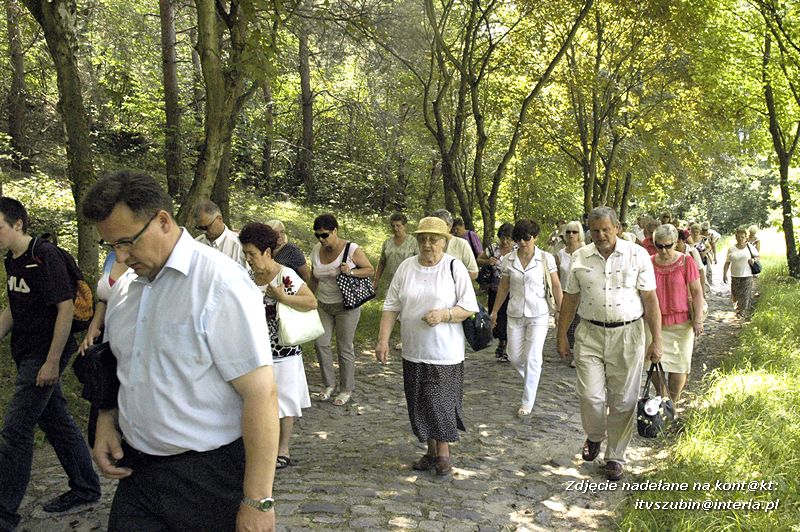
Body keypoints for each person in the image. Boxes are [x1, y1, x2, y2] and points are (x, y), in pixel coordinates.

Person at [82, 171, 279, 531]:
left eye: (127, 242)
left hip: (207, 478)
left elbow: (261, 394)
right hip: (138, 475)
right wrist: (106, 420)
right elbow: (121, 366)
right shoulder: (126, 287)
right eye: (111, 246)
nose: (121, 256)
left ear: (162, 221)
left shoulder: (221, 283)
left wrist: (258, 501)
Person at [0, 198, 101, 529]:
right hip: (25, 351)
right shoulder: (12, 259)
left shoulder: (45, 256)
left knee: (15, 431)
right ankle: (86, 487)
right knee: (56, 421)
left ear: (17, 224)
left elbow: (66, 308)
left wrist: (53, 361)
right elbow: (14, 307)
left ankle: (4, 513)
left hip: (44, 355)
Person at [556, 207, 663, 482]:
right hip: (589, 333)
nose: (601, 235)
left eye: (606, 229)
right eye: (595, 230)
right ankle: (594, 435)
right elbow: (570, 298)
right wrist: (561, 334)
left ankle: (615, 456)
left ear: (617, 227)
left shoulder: (637, 255)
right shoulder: (580, 257)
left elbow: (650, 299)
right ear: (589, 231)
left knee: (623, 400)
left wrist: (657, 340)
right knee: (590, 395)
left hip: (628, 334)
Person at [375, 217, 479, 476]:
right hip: (413, 350)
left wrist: (444, 314)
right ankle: (431, 451)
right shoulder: (406, 268)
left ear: (444, 242)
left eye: (434, 239)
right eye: (423, 239)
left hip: (444, 352)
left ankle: (443, 453)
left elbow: (469, 307)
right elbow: (391, 305)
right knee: (419, 402)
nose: (428, 244)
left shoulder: (454, 267)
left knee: (438, 401)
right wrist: (383, 340)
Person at [240, 223, 314, 470]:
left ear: (267, 252)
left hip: (283, 349)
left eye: (252, 253)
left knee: (285, 400)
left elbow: (311, 302)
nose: (248, 258)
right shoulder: (248, 277)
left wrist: (283, 297)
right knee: (258, 399)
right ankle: (260, 446)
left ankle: (283, 449)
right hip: (256, 348)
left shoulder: (285, 275)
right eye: (246, 253)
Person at [490, 219, 563, 418]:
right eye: (518, 238)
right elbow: (503, 287)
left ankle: (527, 400)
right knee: (514, 356)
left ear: (535, 237)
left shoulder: (546, 258)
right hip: (514, 312)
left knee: (532, 357)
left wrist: (560, 310)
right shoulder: (509, 259)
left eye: (526, 238)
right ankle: (533, 376)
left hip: (539, 313)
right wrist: (495, 311)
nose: (522, 242)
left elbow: (556, 285)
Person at [309, 213, 374, 406]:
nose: (321, 239)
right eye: (317, 235)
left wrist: (351, 271)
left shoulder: (351, 249)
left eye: (325, 235)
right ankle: (328, 384)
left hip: (346, 305)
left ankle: (346, 389)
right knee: (320, 343)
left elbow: (369, 269)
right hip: (323, 304)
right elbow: (314, 277)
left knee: (344, 346)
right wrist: (307, 298)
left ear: (335, 231)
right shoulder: (316, 250)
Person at [78, 251, 131, 447]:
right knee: (99, 420)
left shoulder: (144, 260)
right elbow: (104, 299)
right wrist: (93, 329)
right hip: (108, 346)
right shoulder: (111, 257)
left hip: (132, 349)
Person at [649, 224, 705, 403]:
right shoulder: (648, 262)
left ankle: (673, 401)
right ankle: (661, 396)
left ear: (676, 243)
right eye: (659, 246)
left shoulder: (686, 261)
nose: (664, 250)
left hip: (682, 323)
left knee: (679, 364)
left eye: (668, 246)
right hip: (654, 323)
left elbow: (696, 291)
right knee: (653, 361)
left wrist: (698, 319)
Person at [476, 223, 515, 360]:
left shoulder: (517, 249)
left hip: (511, 290)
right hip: (494, 288)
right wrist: (488, 261)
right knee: (496, 317)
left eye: (508, 238)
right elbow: (478, 260)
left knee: (508, 317)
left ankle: (507, 346)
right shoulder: (493, 248)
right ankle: (501, 341)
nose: (505, 241)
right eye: (502, 238)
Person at [554, 220, 585, 364]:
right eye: (568, 232)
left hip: (582, 294)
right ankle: (569, 350)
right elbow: (557, 277)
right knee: (566, 324)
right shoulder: (560, 254)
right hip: (565, 293)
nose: (571, 235)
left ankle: (578, 354)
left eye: (574, 232)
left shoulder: (585, 252)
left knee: (579, 325)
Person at [193, 199, 248, 268]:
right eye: (200, 228)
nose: (204, 231)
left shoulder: (238, 246)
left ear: (219, 219)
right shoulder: (196, 244)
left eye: (206, 227)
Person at [373, 212, 418, 290]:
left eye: (398, 225)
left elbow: (420, 262)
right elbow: (382, 262)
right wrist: (376, 280)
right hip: (390, 282)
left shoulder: (412, 241)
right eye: (393, 226)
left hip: (408, 282)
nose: (395, 228)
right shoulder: (387, 242)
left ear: (404, 226)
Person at [430, 209, 479, 280]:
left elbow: (474, 273)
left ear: (449, 226)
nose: (436, 228)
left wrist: (452, 280)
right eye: (433, 225)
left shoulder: (461, 244)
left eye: (440, 224)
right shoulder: (425, 244)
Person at [722, 227, 760, 318]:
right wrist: (724, 273)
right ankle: (738, 310)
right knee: (735, 295)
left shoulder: (749, 247)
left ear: (746, 237)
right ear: (736, 237)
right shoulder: (732, 249)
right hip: (735, 275)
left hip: (747, 275)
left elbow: (757, 256)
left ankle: (742, 312)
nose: (740, 239)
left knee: (745, 295)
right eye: (738, 237)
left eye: (742, 237)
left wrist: (753, 260)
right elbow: (727, 262)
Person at [265, 219, 311, 283]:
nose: (279, 235)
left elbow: (306, 277)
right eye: (275, 233)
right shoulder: (264, 250)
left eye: (282, 232)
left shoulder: (292, 251)